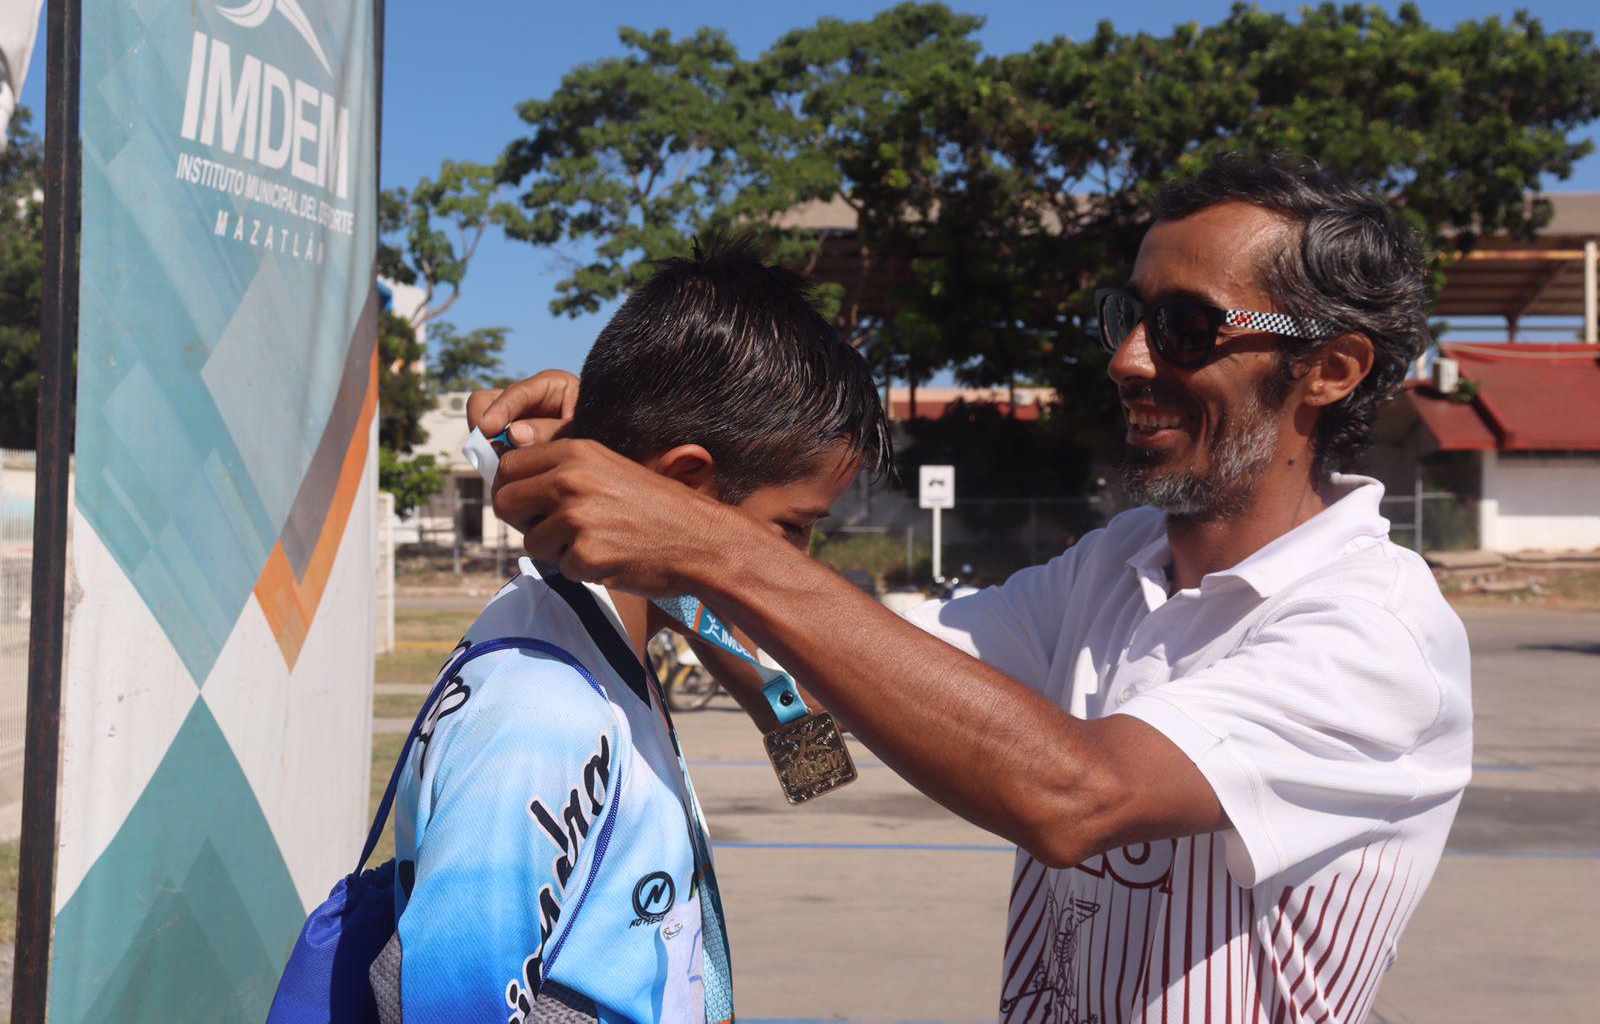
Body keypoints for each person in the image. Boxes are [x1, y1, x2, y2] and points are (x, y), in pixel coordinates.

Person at [472, 158, 1473, 1023]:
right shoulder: (1112, 570)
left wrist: (710, 539)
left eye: (1182, 327)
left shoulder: (1373, 635)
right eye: (1127, 316)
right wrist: (640, 465)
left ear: (1330, 368)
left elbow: (1073, 796)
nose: (1126, 359)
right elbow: (818, 697)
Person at [375, 235, 891, 1023]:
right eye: (794, 528)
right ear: (686, 481)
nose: (804, 568)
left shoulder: (618, 646)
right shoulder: (543, 712)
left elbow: (817, 764)